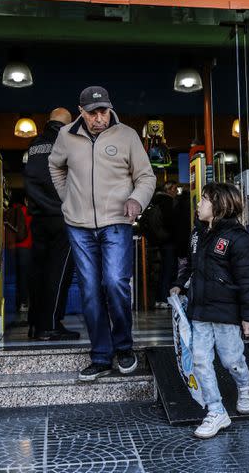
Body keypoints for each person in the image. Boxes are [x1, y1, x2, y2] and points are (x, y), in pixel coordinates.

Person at [49, 86, 156, 381]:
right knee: (90, 291)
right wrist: (67, 197)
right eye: (93, 113)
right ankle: (100, 356)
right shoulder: (66, 136)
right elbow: (55, 166)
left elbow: (146, 176)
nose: (100, 118)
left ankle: (123, 346)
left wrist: (137, 199)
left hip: (117, 221)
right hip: (78, 225)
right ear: (81, 111)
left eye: (104, 111)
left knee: (115, 282)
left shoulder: (127, 136)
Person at [170, 182, 249, 439]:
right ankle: (216, 410)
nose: (198, 204)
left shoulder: (238, 239)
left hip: (226, 314)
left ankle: (245, 386)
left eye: (204, 200)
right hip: (199, 311)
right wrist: (179, 284)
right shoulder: (197, 234)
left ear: (219, 205)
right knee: (200, 361)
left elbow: (248, 280)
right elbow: (190, 265)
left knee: (232, 361)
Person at [24, 108, 79, 341]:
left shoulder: (34, 145)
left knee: (39, 271)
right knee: (59, 273)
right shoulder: (67, 142)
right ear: (67, 124)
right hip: (62, 218)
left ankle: (36, 323)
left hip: (38, 219)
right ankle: (51, 325)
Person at [148, 181, 178, 307]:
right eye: (175, 189)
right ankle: (164, 298)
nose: (176, 192)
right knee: (168, 269)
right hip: (168, 241)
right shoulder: (167, 202)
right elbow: (171, 223)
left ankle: (160, 299)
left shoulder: (155, 201)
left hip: (159, 240)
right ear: (168, 190)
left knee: (163, 270)